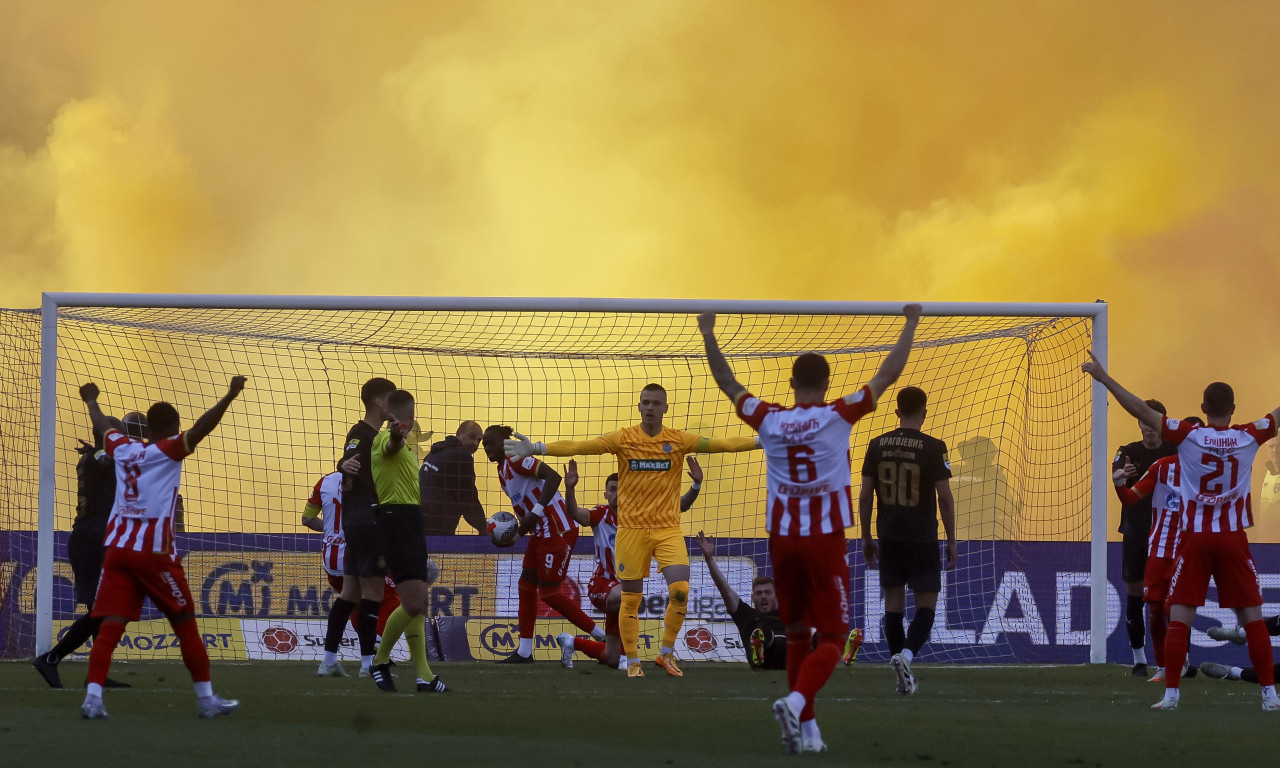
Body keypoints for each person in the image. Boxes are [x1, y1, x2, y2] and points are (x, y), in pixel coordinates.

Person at [699, 304, 921, 754]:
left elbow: (727, 383)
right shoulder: (838, 414)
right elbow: (888, 374)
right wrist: (910, 322)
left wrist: (708, 331)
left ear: (791, 384)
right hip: (823, 540)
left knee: (798, 631)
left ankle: (808, 730)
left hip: (781, 542)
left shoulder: (770, 418)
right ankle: (797, 700)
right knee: (834, 638)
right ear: (825, 384)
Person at [504, 386, 757, 679]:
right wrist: (536, 448)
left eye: (656, 403)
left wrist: (762, 441)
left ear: (665, 408)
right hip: (632, 532)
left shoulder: (678, 440)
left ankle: (665, 653)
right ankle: (633, 661)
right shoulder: (623, 439)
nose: (650, 407)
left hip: (667, 530)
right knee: (631, 599)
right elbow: (582, 446)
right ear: (639, 407)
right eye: (646, 403)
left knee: (680, 590)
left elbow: (722, 444)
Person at [1082, 354, 1279, 711]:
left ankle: (1171, 693)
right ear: (1233, 409)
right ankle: (1270, 695)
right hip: (1233, 537)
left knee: (1180, 618)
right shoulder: (1249, 435)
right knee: (1252, 619)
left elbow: (1141, 409)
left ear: (1203, 407)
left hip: (1196, 537)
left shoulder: (1189, 436)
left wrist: (1104, 378)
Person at [76, 377, 245, 720]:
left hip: (118, 550)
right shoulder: (168, 449)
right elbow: (201, 429)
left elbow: (104, 426)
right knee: (184, 623)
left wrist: (91, 401)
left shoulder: (122, 448)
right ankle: (206, 700)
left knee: (110, 625)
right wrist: (229, 395)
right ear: (172, 429)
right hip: (153, 553)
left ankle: (93, 698)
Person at [558, 459, 702, 669]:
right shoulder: (601, 514)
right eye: (612, 489)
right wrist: (569, 489)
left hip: (624, 593)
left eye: (622, 489)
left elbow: (680, 505)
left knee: (612, 658)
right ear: (606, 495)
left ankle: (571, 642)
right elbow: (574, 513)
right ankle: (629, 655)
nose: (617, 493)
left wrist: (696, 485)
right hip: (601, 585)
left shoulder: (643, 515)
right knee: (631, 597)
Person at [32, 414, 143, 689]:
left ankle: (97, 672)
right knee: (103, 610)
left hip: (93, 540)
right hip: (91, 541)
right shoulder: (103, 457)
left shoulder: (97, 456)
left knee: (102, 609)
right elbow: (106, 458)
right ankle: (51, 658)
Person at [858, 385, 955, 696]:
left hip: (889, 535)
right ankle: (907, 657)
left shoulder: (876, 445)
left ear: (896, 411)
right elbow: (944, 497)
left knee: (893, 608)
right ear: (925, 412)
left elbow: (864, 494)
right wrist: (952, 540)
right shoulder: (934, 447)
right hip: (922, 536)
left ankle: (901, 673)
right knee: (926, 605)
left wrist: (866, 536)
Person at [483, 425, 604, 663]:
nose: (486, 447)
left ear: (504, 442)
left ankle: (601, 636)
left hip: (558, 529)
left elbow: (553, 477)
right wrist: (516, 536)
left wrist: (536, 513)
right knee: (525, 585)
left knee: (548, 592)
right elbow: (524, 510)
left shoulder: (516, 459)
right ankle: (525, 652)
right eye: (484, 444)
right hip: (540, 532)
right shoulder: (502, 471)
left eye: (490, 442)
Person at [367, 390, 449, 693]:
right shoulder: (385, 438)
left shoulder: (404, 441)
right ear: (408, 416)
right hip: (397, 521)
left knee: (417, 603)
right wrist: (396, 437)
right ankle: (380, 660)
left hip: (408, 520)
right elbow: (391, 446)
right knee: (414, 602)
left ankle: (424, 676)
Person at [1111, 416, 1204, 682]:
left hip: (1188, 552)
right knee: (1153, 610)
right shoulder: (1162, 467)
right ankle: (1160, 666)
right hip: (1159, 548)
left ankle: (1180, 662)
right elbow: (1130, 497)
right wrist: (1119, 484)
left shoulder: (1211, 471)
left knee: (1171, 610)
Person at [318, 377, 396, 679]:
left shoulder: (377, 434)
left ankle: (328, 661)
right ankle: (368, 665)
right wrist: (343, 462)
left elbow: (351, 463)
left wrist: (343, 463)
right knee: (372, 593)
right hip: (367, 522)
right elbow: (350, 458)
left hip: (360, 523)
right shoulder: (363, 432)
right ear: (379, 402)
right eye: (391, 398)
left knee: (350, 593)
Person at [301, 471, 401, 677]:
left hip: (331, 558)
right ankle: (370, 660)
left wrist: (330, 528)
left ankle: (331, 661)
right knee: (386, 598)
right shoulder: (371, 479)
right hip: (356, 552)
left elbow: (307, 519)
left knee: (349, 601)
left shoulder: (325, 481)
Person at [1110, 399, 1177, 677]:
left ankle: (1177, 660)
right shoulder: (1127, 452)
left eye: (1153, 422)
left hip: (1170, 536)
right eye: (1143, 421)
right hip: (1137, 533)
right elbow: (1116, 477)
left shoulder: (1176, 450)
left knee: (1171, 601)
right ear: (1138, 422)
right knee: (1136, 597)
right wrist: (1121, 477)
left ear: (1162, 423)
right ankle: (1139, 660)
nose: (1148, 428)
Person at [695, 532, 786, 670]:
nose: (763, 596)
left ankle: (769, 642)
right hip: (766, 663)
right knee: (764, 630)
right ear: (752, 598)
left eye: (767, 593)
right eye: (758, 593)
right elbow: (725, 589)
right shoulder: (746, 616)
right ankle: (763, 646)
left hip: (789, 660)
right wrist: (709, 559)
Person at [420, 420, 488, 535]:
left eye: (479, 440)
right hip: (438, 527)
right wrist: (483, 527)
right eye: (472, 437)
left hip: (418, 520)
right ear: (459, 434)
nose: (475, 444)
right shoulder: (462, 456)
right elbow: (468, 498)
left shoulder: (434, 453)